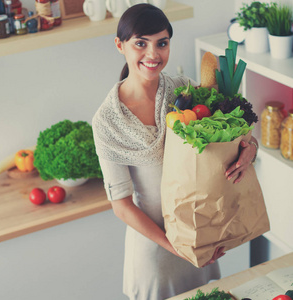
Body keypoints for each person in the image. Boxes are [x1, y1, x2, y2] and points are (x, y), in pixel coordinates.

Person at [92, 4, 258, 300]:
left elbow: (229, 139)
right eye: (140, 43)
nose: (153, 54)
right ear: (120, 45)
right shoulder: (107, 121)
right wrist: (176, 246)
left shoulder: (182, 90)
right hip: (156, 251)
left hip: (199, 234)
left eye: (162, 43)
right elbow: (122, 205)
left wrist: (249, 150)